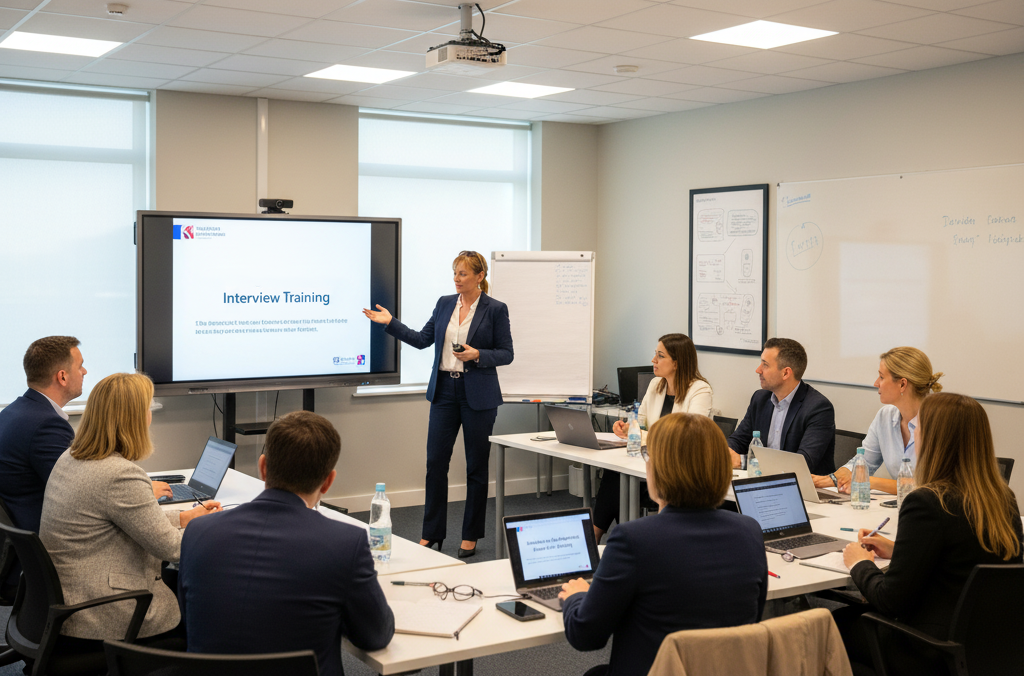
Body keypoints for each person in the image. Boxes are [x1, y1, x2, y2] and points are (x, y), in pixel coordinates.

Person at [178, 411, 394, 676]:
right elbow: (375, 636)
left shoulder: (198, 531)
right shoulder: (345, 544)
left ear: (263, 467)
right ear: (328, 482)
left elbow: (191, 619)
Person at [559, 413, 767, 676]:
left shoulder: (633, 539)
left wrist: (576, 595)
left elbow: (586, 636)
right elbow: (754, 618)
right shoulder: (749, 531)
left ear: (659, 468)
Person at [837, 393, 1022, 675]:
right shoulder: (1002, 498)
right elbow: (960, 557)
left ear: (935, 438)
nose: (914, 435)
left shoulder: (926, 501)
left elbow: (889, 600)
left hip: (926, 648)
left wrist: (859, 563)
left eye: (919, 428)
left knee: (828, 625)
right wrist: (898, 549)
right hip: (986, 645)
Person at [38, 372, 220, 646]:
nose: (150, 415)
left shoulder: (72, 456)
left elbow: (129, 519)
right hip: (103, 613)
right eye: (147, 408)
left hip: (69, 599)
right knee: (206, 607)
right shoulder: (120, 475)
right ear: (134, 418)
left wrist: (184, 517)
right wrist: (221, 530)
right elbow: (174, 550)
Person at [363, 250, 513, 558]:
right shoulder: (445, 303)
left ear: (479, 277)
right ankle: (431, 534)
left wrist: (478, 355)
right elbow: (421, 339)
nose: (456, 279)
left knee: (476, 468)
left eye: (463, 274)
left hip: (479, 397)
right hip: (444, 392)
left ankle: (470, 535)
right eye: (455, 273)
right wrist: (390, 322)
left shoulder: (495, 309)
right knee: (435, 465)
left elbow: (506, 353)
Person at [592, 333, 713, 542]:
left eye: (660, 356)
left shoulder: (700, 389)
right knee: (615, 475)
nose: (653, 361)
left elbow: (688, 436)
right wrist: (626, 428)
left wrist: (640, 433)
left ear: (676, 363)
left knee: (616, 482)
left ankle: (603, 540)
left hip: (679, 469)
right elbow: (640, 424)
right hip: (650, 461)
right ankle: (616, 540)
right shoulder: (656, 385)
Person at [812, 347, 943, 494]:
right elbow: (863, 462)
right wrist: (828, 480)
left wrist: (872, 481)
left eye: (881, 377)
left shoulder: (940, 421)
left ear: (902, 384)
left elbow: (934, 486)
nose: (876, 383)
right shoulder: (885, 416)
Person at [727, 337, 836, 476]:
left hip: (804, 491)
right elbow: (738, 439)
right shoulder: (760, 399)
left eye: (765, 365)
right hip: (764, 481)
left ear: (785, 373)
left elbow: (802, 463)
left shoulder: (818, 408)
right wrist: (726, 453)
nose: (758, 370)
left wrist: (743, 462)